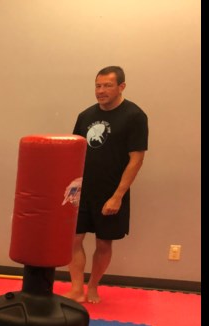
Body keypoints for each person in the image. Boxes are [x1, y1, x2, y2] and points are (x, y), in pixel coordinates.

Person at [68, 66, 149, 304]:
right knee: (73, 239)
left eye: (107, 86)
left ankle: (93, 287)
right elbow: (74, 152)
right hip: (82, 190)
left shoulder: (134, 116)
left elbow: (137, 159)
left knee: (104, 242)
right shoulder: (85, 116)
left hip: (111, 191)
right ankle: (76, 289)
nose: (101, 91)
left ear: (121, 86)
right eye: (98, 85)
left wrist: (118, 196)